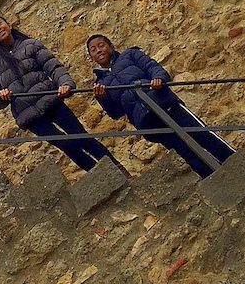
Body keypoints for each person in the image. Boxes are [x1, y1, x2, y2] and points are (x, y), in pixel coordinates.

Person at [0, 15, 125, 173]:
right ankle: (102, 177)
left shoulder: (31, 45)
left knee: (82, 137)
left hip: (51, 101)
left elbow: (53, 67)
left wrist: (65, 84)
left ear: (8, 25)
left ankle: (120, 171)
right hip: (29, 115)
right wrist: (0, 96)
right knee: (68, 146)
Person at [87, 34, 234, 178]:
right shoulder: (101, 83)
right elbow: (116, 112)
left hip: (165, 104)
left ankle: (236, 164)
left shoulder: (130, 55)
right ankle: (217, 180)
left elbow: (153, 67)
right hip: (148, 122)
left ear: (111, 47)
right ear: (92, 58)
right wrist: (104, 98)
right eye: (93, 50)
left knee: (203, 135)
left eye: (101, 45)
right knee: (185, 152)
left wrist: (158, 78)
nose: (98, 50)